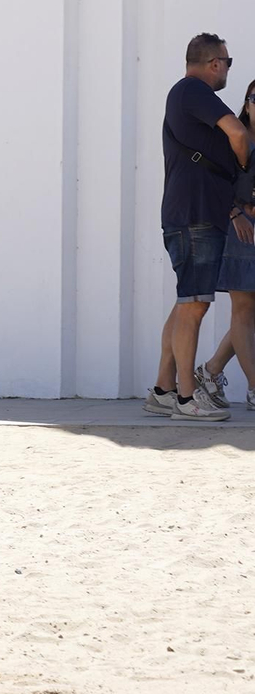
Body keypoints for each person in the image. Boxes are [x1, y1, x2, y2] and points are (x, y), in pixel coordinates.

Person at [149, 33, 250, 422]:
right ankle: (187, 400)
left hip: (189, 212)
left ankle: (163, 389)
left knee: (187, 301)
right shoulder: (193, 90)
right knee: (195, 304)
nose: (227, 68)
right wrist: (242, 167)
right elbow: (238, 134)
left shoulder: (184, 94)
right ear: (214, 63)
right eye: (227, 61)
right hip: (195, 215)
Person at [192, 77, 255, 411]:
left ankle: (211, 371)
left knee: (250, 314)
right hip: (241, 231)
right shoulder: (233, 139)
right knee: (244, 310)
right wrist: (234, 213)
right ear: (246, 103)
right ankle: (254, 390)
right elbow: (214, 180)